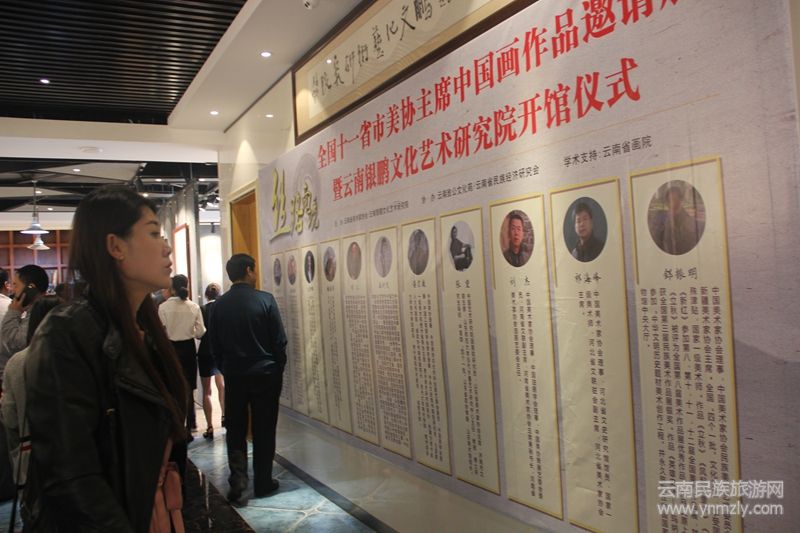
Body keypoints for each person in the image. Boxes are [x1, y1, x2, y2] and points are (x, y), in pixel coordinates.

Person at [22, 185, 188, 531]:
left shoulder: (145, 330)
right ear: (116, 246)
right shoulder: (67, 333)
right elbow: (71, 477)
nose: (167, 246)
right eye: (153, 233)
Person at [210, 254, 287, 506]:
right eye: (254, 269)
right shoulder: (265, 299)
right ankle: (263, 482)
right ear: (248, 270)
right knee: (265, 428)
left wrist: (226, 367)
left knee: (235, 428)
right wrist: (277, 367)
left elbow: (214, 344)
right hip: (265, 374)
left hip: (234, 375)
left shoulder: (219, 305)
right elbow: (279, 340)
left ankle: (238, 481)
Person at [1, 296, 61, 492]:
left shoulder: (17, 363)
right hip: (77, 456)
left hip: (30, 457)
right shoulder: (78, 357)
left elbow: (10, 418)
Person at [159, 274, 206, 437]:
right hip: (188, 348)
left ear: (172, 288)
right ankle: (190, 423)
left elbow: (160, 332)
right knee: (189, 387)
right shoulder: (193, 307)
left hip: (171, 348)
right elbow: (200, 332)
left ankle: (176, 423)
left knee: (172, 385)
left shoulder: (163, 307)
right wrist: (189, 331)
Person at [0, 264, 49, 379]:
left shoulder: (38, 312)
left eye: (16, 285)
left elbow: (13, 344)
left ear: (30, 287)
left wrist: (13, 312)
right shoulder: (39, 308)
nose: (13, 290)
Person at [196, 283, 225, 440]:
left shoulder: (201, 309)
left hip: (205, 351)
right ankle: (224, 417)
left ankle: (209, 426)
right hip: (219, 350)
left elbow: (199, 333)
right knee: (221, 386)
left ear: (206, 295)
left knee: (207, 391)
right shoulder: (222, 308)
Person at [657, 184, 702, 255]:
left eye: (675, 199)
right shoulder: (667, 219)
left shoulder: (688, 221)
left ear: (680, 200)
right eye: (669, 200)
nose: (672, 203)